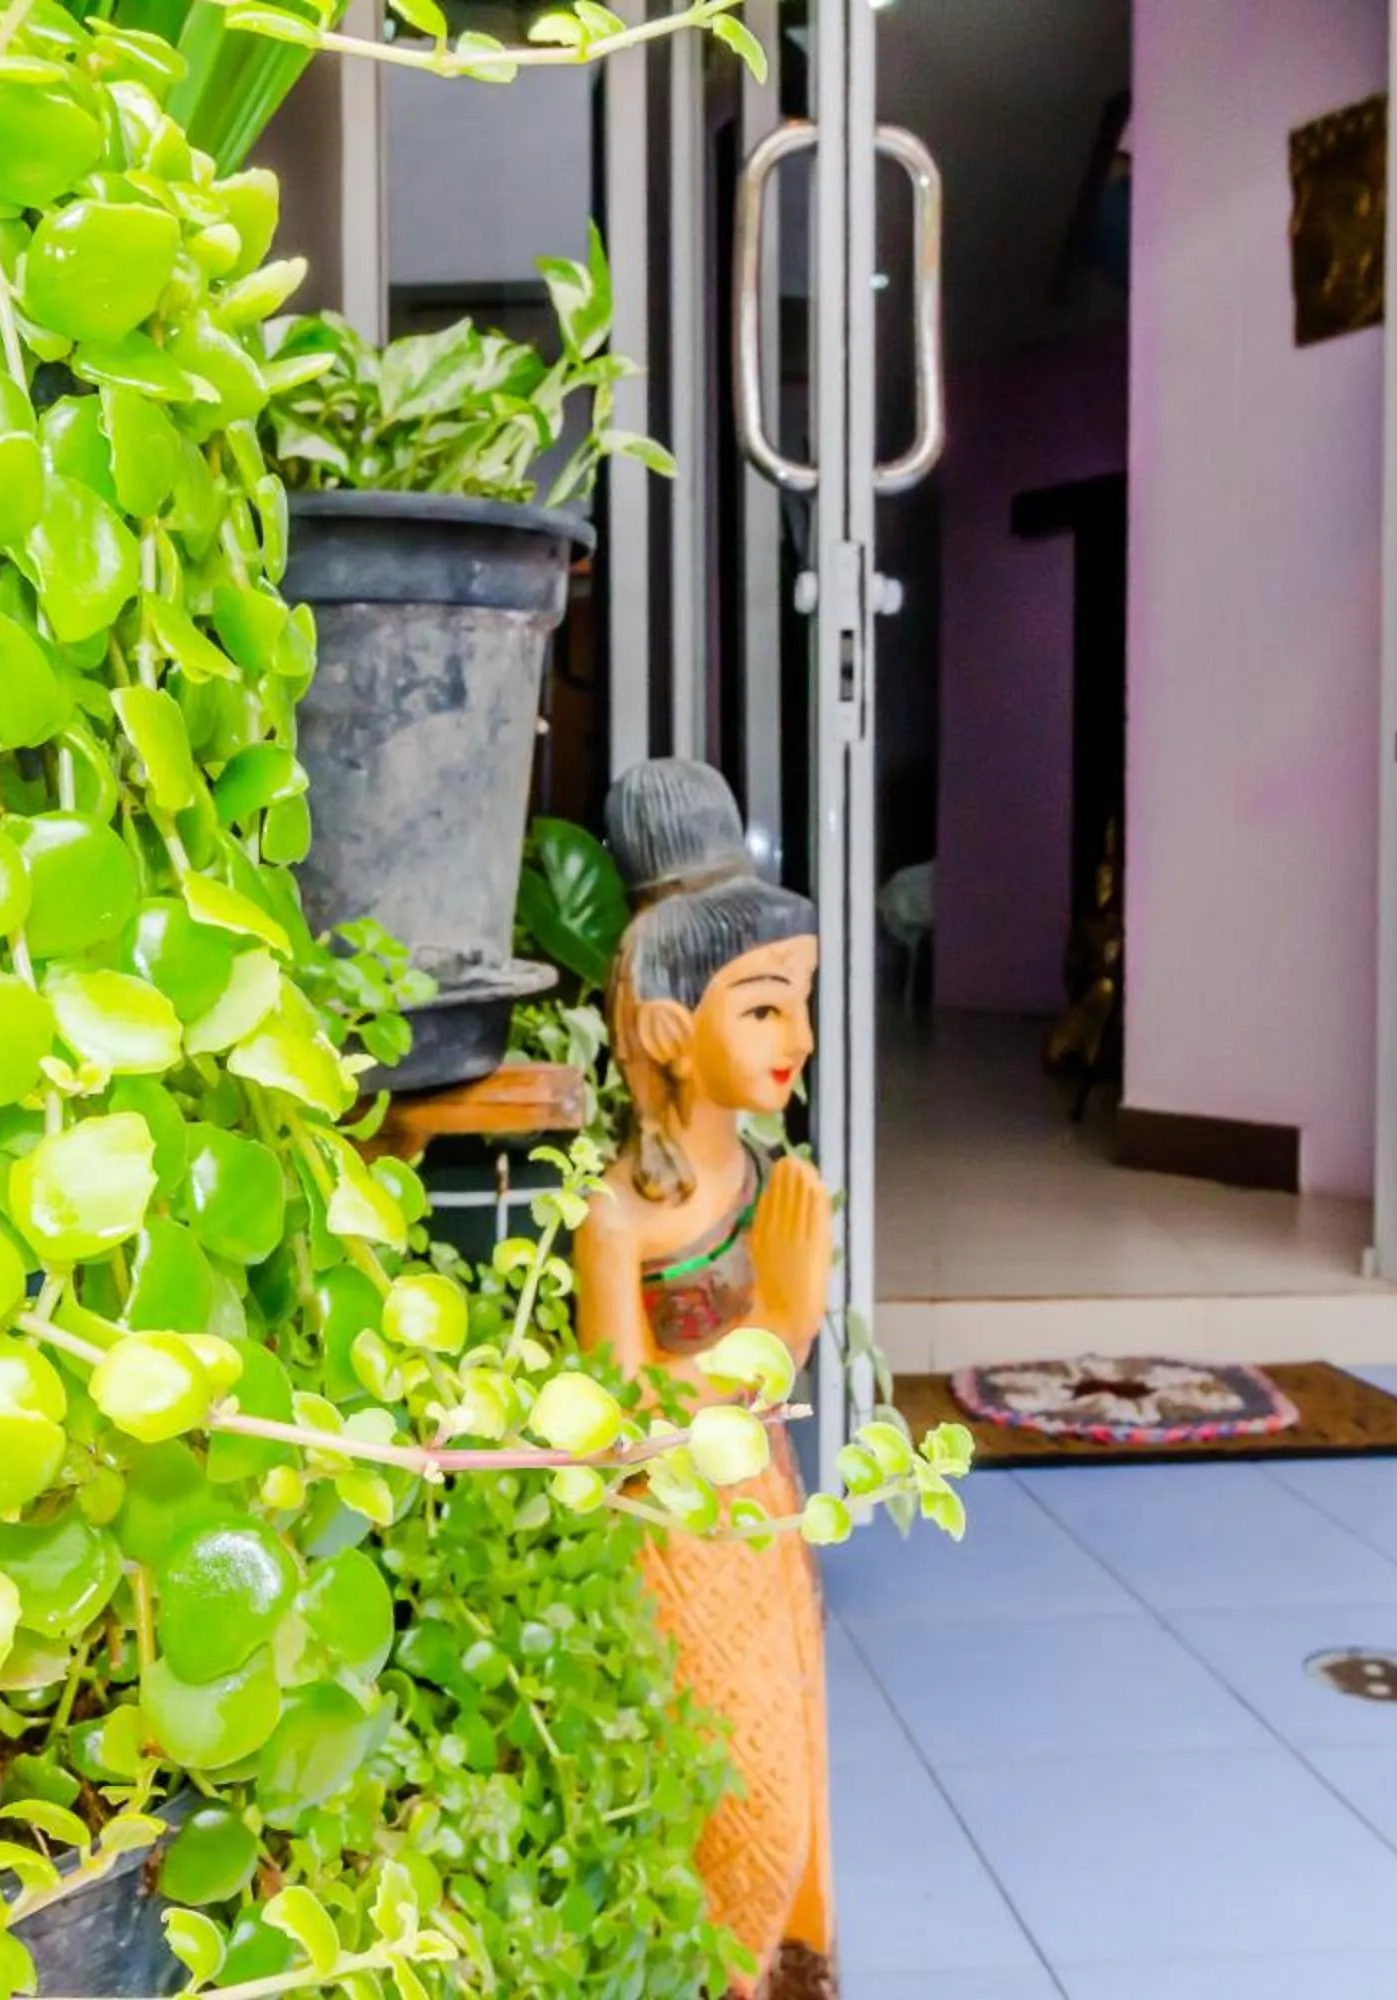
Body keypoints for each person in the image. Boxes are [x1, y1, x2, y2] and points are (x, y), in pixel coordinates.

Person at [572, 758, 835, 2000]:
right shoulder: (620, 1224)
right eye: (767, 1008)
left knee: (794, 1767)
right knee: (737, 1799)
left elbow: (784, 1356)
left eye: (803, 1002)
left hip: (763, 1518)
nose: (804, 1038)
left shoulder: (765, 1184)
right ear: (668, 1031)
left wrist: (790, 1327)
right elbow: (616, 1430)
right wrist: (773, 1326)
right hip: (676, 1544)